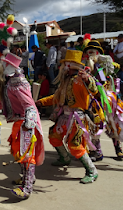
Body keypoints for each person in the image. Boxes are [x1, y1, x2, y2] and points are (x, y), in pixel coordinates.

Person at [0, 53, 44, 199]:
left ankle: (27, 188)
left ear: (9, 66)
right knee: (18, 153)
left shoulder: (17, 83)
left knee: (26, 154)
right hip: (19, 122)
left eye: (2, 64)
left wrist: (29, 122)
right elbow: (0, 103)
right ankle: (28, 178)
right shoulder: (9, 82)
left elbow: (29, 105)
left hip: (27, 122)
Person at [36, 50, 99, 184]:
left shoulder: (81, 79)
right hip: (64, 116)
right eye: (64, 64)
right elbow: (57, 97)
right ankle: (64, 158)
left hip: (78, 118)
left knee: (75, 145)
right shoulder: (65, 81)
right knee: (54, 136)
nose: (64, 67)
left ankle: (92, 171)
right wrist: (41, 102)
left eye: (66, 64)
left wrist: (87, 79)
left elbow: (94, 90)